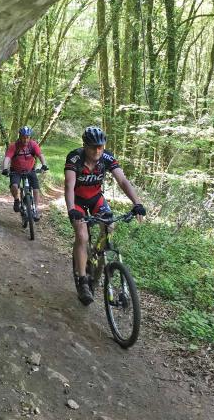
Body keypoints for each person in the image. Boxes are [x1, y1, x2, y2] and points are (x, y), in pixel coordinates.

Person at [64, 126, 146, 305]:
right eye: (93, 147)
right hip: (77, 201)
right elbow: (69, 186)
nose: (97, 150)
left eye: (100, 146)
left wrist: (137, 203)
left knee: (110, 226)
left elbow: (123, 180)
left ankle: (95, 257)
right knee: (82, 235)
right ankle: (83, 279)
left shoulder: (106, 158)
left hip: (96, 199)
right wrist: (72, 209)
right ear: (85, 146)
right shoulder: (75, 158)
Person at [2, 126, 49, 221]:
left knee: (36, 189)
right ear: (20, 136)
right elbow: (7, 158)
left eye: (27, 137)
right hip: (16, 170)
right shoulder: (14, 146)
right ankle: (16, 200)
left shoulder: (33, 144)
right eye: (23, 137)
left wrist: (44, 165)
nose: (25, 139)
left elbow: (40, 155)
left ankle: (35, 209)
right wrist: (5, 168)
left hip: (30, 170)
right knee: (14, 186)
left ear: (30, 137)